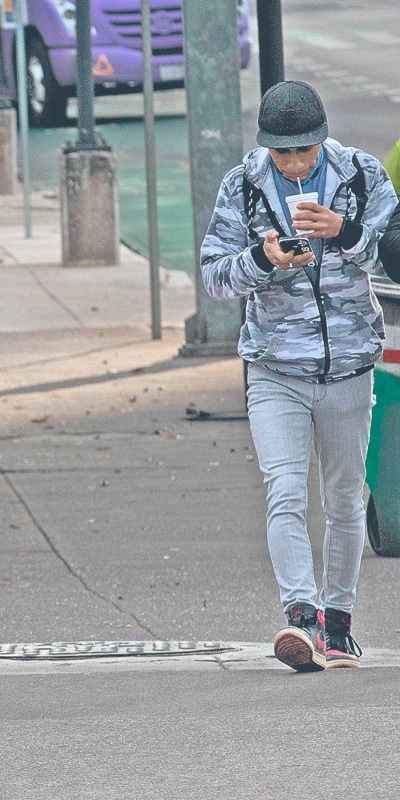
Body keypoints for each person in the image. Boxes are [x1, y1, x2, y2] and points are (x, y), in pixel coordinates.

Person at [200, 81, 397, 672]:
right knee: (284, 490)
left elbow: (398, 255)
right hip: (273, 366)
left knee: (342, 499)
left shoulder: (360, 176)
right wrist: (264, 260)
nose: (292, 163)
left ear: (322, 138)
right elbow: (213, 276)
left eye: (303, 151)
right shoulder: (243, 184)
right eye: (281, 153)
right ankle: (302, 618)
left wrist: (345, 233)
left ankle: (339, 623)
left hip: (348, 364)